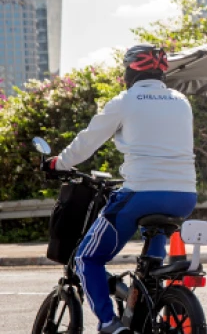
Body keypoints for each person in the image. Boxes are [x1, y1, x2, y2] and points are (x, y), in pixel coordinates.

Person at [45, 45, 198, 334]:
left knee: (85, 258)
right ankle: (146, 293)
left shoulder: (125, 101)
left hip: (141, 194)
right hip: (184, 196)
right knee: (151, 264)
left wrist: (59, 162)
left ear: (130, 71)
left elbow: (86, 142)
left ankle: (109, 324)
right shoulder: (181, 101)